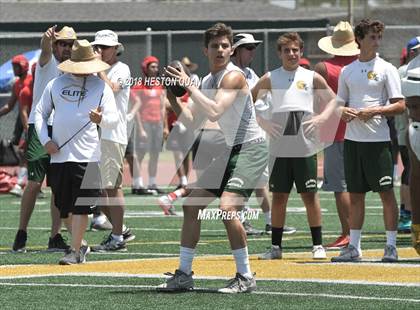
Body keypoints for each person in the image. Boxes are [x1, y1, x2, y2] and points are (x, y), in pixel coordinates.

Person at [158, 23, 267, 293]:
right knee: (192, 205)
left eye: (225, 45)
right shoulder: (207, 81)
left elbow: (216, 111)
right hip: (231, 150)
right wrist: (171, 95)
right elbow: (192, 120)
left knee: (227, 208)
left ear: (231, 50)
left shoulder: (234, 76)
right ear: (205, 50)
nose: (220, 50)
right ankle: (183, 274)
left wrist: (187, 85)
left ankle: (245, 276)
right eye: (215, 46)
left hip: (251, 149)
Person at [34, 39, 118, 264]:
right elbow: (40, 114)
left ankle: (74, 252)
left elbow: (114, 119)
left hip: (89, 157)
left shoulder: (101, 87)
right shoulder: (55, 85)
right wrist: (45, 141)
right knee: (64, 209)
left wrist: (102, 119)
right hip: (59, 157)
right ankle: (80, 245)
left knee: (82, 207)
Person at [253, 32, 336, 260]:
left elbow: (335, 100)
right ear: (279, 53)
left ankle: (317, 246)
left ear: (301, 52)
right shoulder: (270, 78)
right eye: (287, 50)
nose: (292, 54)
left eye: (295, 50)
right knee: (279, 197)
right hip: (279, 148)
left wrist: (320, 119)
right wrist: (263, 121)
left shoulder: (311, 77)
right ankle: (276, 248)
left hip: (305, 147)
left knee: (310, 196)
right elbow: (247, 101)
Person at [331, 19, 405, 263]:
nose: (376, 41)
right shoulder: (347, 71)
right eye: (371, 37)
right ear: (359, 40)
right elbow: (339, 103)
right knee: (356, 195)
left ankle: (391, 246)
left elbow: (400, 105)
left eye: (378, 37)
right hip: (353, 141)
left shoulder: (387, 68)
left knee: (386, 194)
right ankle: (354, 246)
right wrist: (342, 112)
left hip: (379, 141)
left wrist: (375, 111)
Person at [12, 25, 77, 253]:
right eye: (63, 43)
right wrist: (46, 39)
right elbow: (45, 50)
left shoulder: (73, 69)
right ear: (55, 45)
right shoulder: (47, 61)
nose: (67, 48)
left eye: (70, 44)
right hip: (40, 128)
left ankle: (55, 236)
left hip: (61, 129)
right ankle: (21, 232)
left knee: (58, 187)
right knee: (34, 183)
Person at [231, 32, 296, 236]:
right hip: (241, 136)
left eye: (253, 48)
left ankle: (270, 222)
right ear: (236, 51)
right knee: (243, 180)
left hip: (258, 134)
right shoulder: (231, 74)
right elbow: (239, 109)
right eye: (248, 48)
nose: (252, 52)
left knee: (261, 181)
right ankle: (241, 220)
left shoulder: (250, 74)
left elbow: (261, 102)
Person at [314, 21, 359, 248]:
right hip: (363, 131)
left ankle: (348, 233)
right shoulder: (361, 65)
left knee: (340, 186)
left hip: (336, 132)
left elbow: (314, 100)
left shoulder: (323, 68)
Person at [90, 30, 135, 251]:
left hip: (113, 134)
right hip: (98, 135)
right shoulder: (98, 69)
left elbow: (114, 88)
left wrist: (98, 68)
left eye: (104, 47)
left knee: (112, 188)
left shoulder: (122, 69)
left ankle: (118, 237)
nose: (99, 50)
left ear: (115, 48)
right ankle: (120, 230)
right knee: (101, 190)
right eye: (97, 46)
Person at [130, 56, 169, 194]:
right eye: (152, 67)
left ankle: (152, 183)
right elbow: (135, 109)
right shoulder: (138, 85)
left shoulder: (160, 85)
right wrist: (140, 129)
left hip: (157, 123)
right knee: (140, 154)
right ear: (145, 68)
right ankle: (137, 184)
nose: (155, 69)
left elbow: (163, 106)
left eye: (156, 67)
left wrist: (165, 126)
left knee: (155, 154)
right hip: (144, 123)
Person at [395, 38, 420, 233]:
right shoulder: (404, 72)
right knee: (411, 171)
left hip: (407, 129)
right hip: (408, 130)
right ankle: (407, 212)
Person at [0, 55, 32, 197]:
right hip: (22, 120)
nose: (14, 70)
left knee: (25, 153)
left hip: (33, 120)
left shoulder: (32, 81)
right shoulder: (17, 84)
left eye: (16, 67)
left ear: (24, 66)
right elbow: (9, 105)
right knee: (23, 152)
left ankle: (21, 184)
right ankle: (32, 184)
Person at [401, 67, 420, 255]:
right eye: (410, 107)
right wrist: (417, 225)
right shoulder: (413, 133)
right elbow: (416, 179)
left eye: (417, 107)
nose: (411, 113)